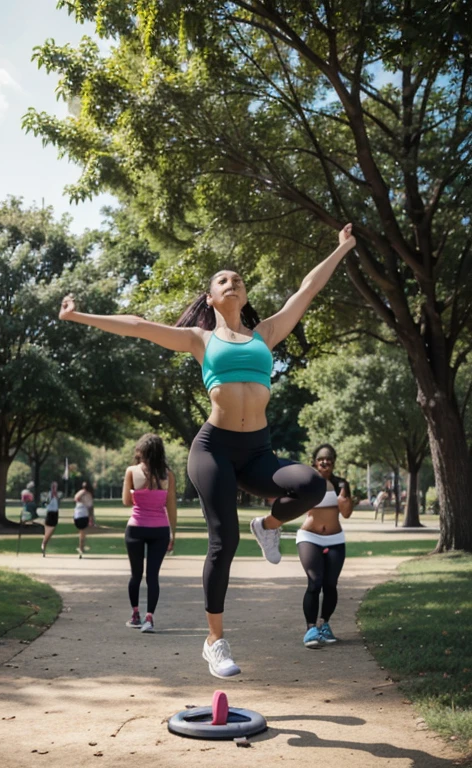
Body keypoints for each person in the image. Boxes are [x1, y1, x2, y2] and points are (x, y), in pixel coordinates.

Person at [59, 223, 356, 677]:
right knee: (225, 540)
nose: (231, 282)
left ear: (244, 293)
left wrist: (342, 249)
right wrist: (80, 316)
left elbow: (308, 287)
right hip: (213, 448)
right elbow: (138, 327)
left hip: (258, 452)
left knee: (312, 484)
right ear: (211, 297)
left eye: (237, 278)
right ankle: (215, 641)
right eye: (222, 280)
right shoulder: (200, 340)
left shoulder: (267, 334)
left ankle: (269, 524)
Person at [297, 444, 353, 648]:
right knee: (315, 581)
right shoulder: (308, 482)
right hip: (309, 537)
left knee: (330, 584)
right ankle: (310, 628)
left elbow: (346, 513)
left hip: (335, 538)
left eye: (329, 460)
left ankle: (324, 624)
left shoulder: (341, 484)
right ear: (314, 462)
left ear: (333, 463)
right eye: (321, 460)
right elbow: (295, 505)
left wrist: (343, 501)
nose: (324, 463)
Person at [122, 433, 177, 634]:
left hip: (136, 527)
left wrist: (139, 493)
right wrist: (173, 534)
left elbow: (126, 502)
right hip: (160, 530)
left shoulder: (131, 471)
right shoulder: (168, 475)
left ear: (141, 451)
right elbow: (171, 507)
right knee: (152, 576)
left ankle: (135, 614)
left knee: (136, 575)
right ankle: (149, 618)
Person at [73, 480, 94, 557]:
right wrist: (91, 518)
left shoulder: (79, 493)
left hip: (77, 516)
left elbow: (76, 498)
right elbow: (90, 507)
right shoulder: (89, 495)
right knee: (83, 533)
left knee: (81, 532)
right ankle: (81, 548)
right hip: (84, 515)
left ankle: (81, 547)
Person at [41, 481, 60, 556]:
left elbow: (57, 503)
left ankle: (44, 544)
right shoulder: (50, 494)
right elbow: (47, 502)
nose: (55, 488)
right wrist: (53, 494)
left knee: (52, 530)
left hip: (55, 513)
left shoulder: (56, 495)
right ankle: (43, 544)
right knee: (48, 530)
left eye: (56, 487)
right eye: (54, 487)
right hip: (50, 513)